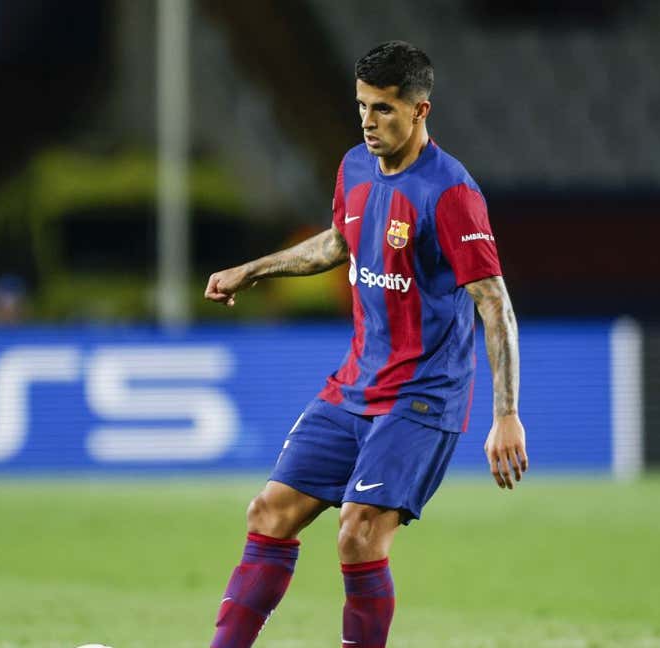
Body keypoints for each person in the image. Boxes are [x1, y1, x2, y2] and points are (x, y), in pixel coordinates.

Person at [202, 41, 527, 648]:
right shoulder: (354, 166)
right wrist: (254, 269)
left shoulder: (452, 193)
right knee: (268, 514)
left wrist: (505, 414)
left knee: (358, 533)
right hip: (354, 386)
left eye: (383, 110)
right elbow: (337, 244)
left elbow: (494, 303)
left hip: (421, 399)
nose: (369, 123)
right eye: (362, 108)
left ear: (420, 109)